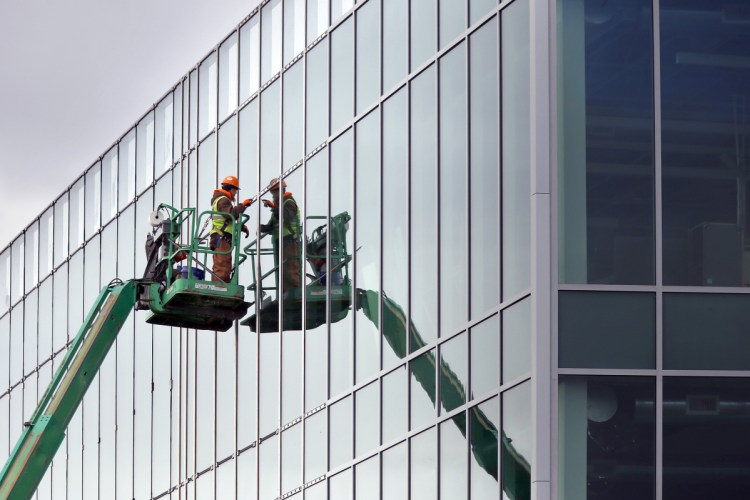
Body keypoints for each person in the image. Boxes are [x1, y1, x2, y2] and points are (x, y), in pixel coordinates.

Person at [260, 177, 301, 293]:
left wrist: (273, 207)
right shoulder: (278, 207)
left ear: (282, 190)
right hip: (280, 242)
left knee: (290, 268)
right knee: (282, 270)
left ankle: (295, 292)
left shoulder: (289, 202)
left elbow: (286, 215)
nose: (273, 195)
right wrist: (261, 228)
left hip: (290, 240)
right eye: (272, 192)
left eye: (275, 191)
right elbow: (272, 226)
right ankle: (285, 292)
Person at [210, 175, 252, 282]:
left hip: (221, 236)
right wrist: (243, 205)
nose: (236, 193)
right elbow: (230, 215)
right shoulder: (223, 200)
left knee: (223, 264)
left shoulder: (221, 200)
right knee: (222, 265)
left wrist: (241, 227)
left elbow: (228, 220)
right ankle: (220, 289)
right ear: (231, 188)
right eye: (235, 190)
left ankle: (221, 286)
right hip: (221, 237)